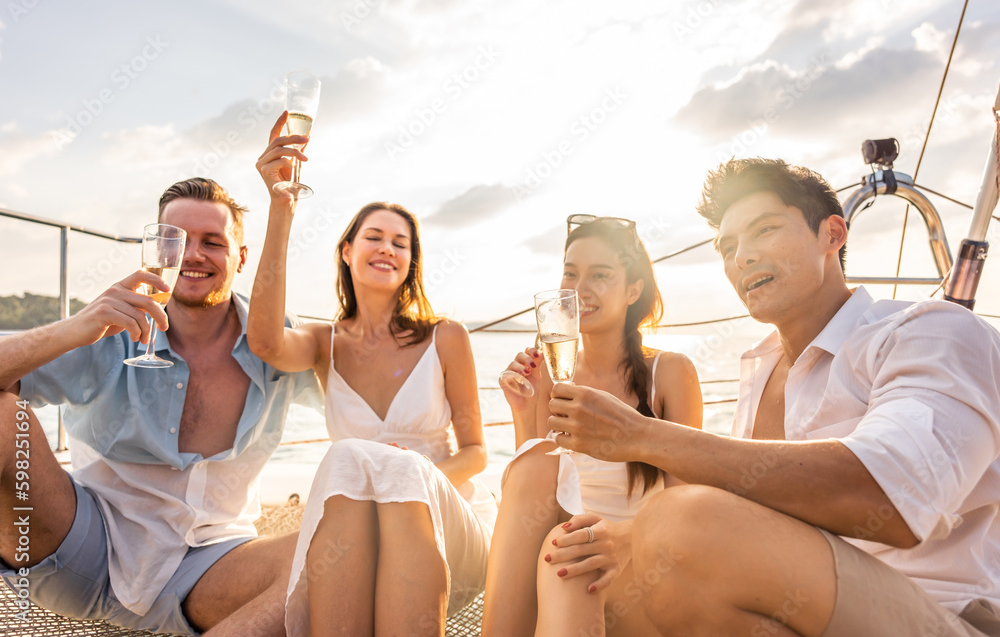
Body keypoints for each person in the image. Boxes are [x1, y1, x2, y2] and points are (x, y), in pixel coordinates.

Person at [546, 158, 1000, 636]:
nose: (741, 257)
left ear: (832, 235)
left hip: (938, 617)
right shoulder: (760, 369)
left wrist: (639, 435)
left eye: (764, 230)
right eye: (727, 246)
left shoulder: (932, 332)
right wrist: (628, 536)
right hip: (803, 609)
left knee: (679, 522)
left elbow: (890, 495)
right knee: (576, 561)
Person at [0, 178, 323, 636]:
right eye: (176, 241)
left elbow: (358, 400)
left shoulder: (275, 340)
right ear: (154, 254)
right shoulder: (110, 329)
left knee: (337, 555)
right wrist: (76, 327)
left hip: (212, 566)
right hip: (82, 548)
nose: (192, 255)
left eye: (212, 242)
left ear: (241, 257)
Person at [250, 113, 496, 636]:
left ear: (410, 262)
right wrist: (280, 208)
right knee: (348, 460)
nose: (387, 248)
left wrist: (413, 479)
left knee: (391, 468)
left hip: (443, 524)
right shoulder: (323, 343)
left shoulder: (446, 336)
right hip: (360, 533)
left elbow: (476, 452)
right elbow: (265, 342)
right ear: (347, 251)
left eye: (400, 243)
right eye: (374, 236)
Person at [481, 214, 703, 636]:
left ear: (633, 289)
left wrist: (621, 538)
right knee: (559, 529)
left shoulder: (670, 373)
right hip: (564, 557)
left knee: (570, 551)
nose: (581, 288)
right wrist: (521, 410)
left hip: (641, 567)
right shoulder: (548, 370)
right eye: (571, 273)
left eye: (600, 275)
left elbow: (685, 511)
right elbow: (533, 497)